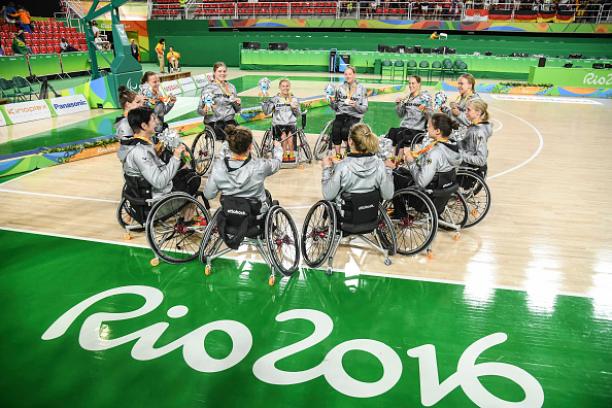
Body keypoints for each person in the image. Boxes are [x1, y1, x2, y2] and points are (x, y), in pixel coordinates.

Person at [203, 125, 282, 216]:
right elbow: (277, 163)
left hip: (230, 215)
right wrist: (278, 148)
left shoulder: (219, 167)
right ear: (250, 146)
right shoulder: (260, 166)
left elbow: (208, 195)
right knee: (267, 196)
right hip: (255, 215)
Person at [123, 107, 190, 198]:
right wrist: (176, 157)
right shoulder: (140, 151)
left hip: (149, 189)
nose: (157, 122)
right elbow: (159, 183)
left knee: (188, 174)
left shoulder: (141, 144)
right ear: (144, 126)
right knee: (192, 181)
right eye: (153, 119)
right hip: (155, 198)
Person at [321, 123, 395, 203]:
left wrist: (327, 168)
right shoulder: (379, 164)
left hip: (346, 213)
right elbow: (388, 195)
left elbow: (328, 195)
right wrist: (388, 169)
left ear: (350, 141)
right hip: (372, 212)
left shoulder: (342, 167)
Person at [392, 113, 462, 196]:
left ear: (437, 131)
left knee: (394, 176)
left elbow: (421, 182)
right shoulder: (452, 146)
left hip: (426, 193)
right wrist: (416, 159)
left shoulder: (435, 153)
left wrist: (411, 162)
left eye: (429, 126)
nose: (427, 128)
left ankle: (398, 208)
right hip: (442, 188)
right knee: (400, 171)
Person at [385, 75, 432, 156]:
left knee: (400, 135)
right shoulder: (407, 98)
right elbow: (400, 114)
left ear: (419, 84)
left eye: (413, 83)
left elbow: (431, 116)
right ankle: (391, 159)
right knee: (392, 131)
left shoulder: (425, 98)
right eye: (409, 83)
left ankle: (398, 160)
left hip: (417, 130)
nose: (410, 86)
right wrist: (398, 105)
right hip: (405, 128)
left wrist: (425, 110)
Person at [329, 65, 368, 158]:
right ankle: (338, 154)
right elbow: (335, 107)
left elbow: (365, 108)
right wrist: (332, 101)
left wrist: (355, 105)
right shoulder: (340, 88)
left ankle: (348, 150)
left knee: (345, 131)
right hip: (341, 114)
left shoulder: (361, 89)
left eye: (350, 74)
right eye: (346, 74)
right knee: (335, 130)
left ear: (354, 75)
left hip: (355, 116)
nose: (348, 76)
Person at [198, 61, 241, 141]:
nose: (222, 73)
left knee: (243, 136)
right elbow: (200, 110)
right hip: (214, 123)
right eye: (219, 71)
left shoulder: (231, 87)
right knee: (228, 135)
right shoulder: (208, 88)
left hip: (229, 122)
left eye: (224, 71)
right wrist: (205, 110)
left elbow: (237, 110)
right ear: (214, 73)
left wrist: (237, 103)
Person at [261, 78, 301, 163]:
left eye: (287, 86)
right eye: (283, 86)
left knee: (290, 136)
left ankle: (291, 155)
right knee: (283, 136)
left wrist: (295, 108)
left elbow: (298, 114)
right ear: (279, 87)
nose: (285, 88)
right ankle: (282, 155)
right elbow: (266, 112)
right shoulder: (275, 99)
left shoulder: (293, 99)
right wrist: (264, 101)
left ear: (289, 87)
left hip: (291, 124)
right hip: (278, 124)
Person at [459, 99, 492, 176]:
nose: (466, 112)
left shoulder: (479, 132)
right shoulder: (474, 126)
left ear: (478, 112)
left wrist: (460, 155)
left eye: (469, 110)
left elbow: (481, 160)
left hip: (467, 169)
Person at [115, 86, 145, 163]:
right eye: (138, 102)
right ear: (128, 104)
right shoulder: (124, 124)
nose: (141, 105)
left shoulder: (134, 119)